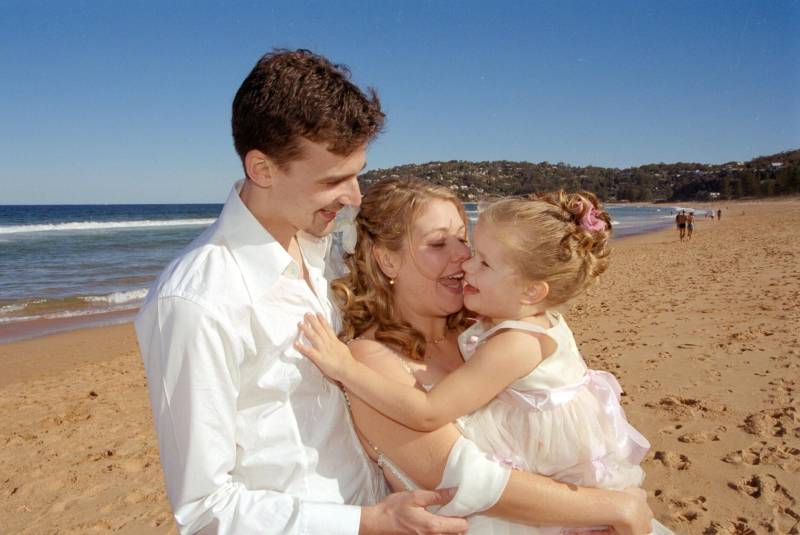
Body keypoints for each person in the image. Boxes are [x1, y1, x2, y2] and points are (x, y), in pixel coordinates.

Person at [135, 50, 470, 535]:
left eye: (357, 173)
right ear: (262, 169)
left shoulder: (324, 250)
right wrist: (366, 523)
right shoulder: (197, 303)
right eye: (333, 180)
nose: (354, 196)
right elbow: (205, 509)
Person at [297, 180, 656, 533]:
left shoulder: (484, 332)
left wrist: (605, 499)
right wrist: (613, 507)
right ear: (388, 260)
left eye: (463, 239)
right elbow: (463, 476)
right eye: (438, 243)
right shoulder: (369, 359)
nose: (463, 256)